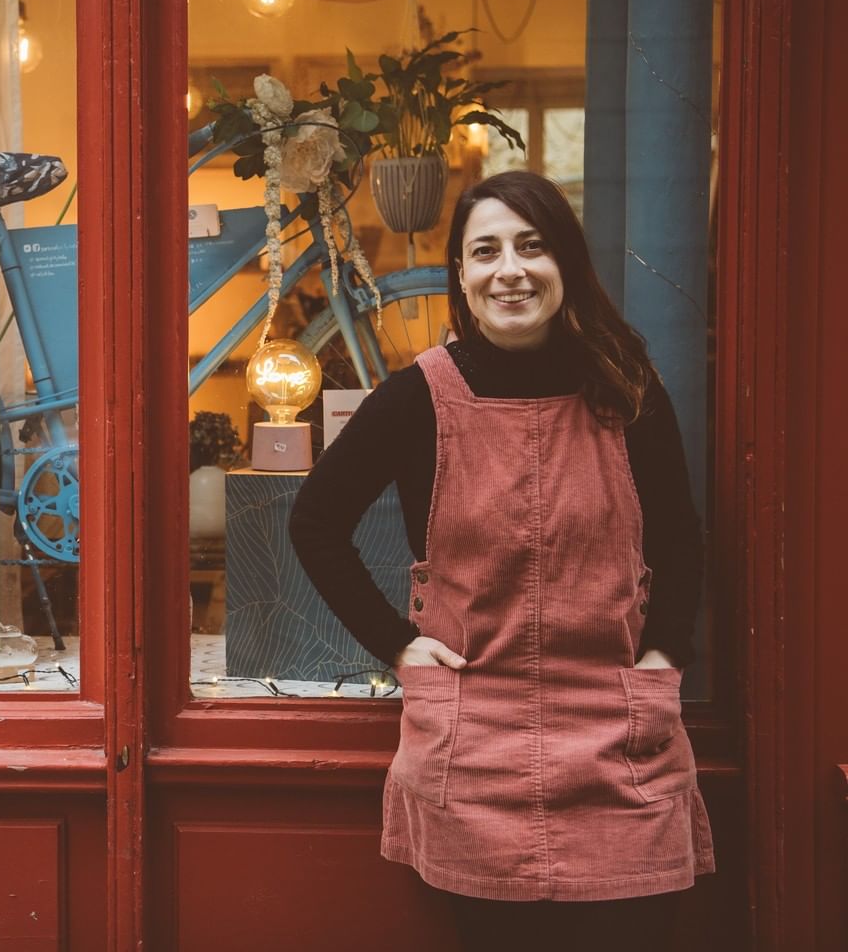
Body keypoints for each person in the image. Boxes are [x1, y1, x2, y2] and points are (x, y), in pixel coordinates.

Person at [289, 171, 715, 951]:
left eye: (532, 245)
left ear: (566, 264)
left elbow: (680, 537)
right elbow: (315, 521)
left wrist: (663, 657)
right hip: (473, 747)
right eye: (485, 251)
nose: (509, 269)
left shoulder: (626, 388)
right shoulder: (419, 396)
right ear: (460, 273)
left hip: (620, 743)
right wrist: (398, 644)